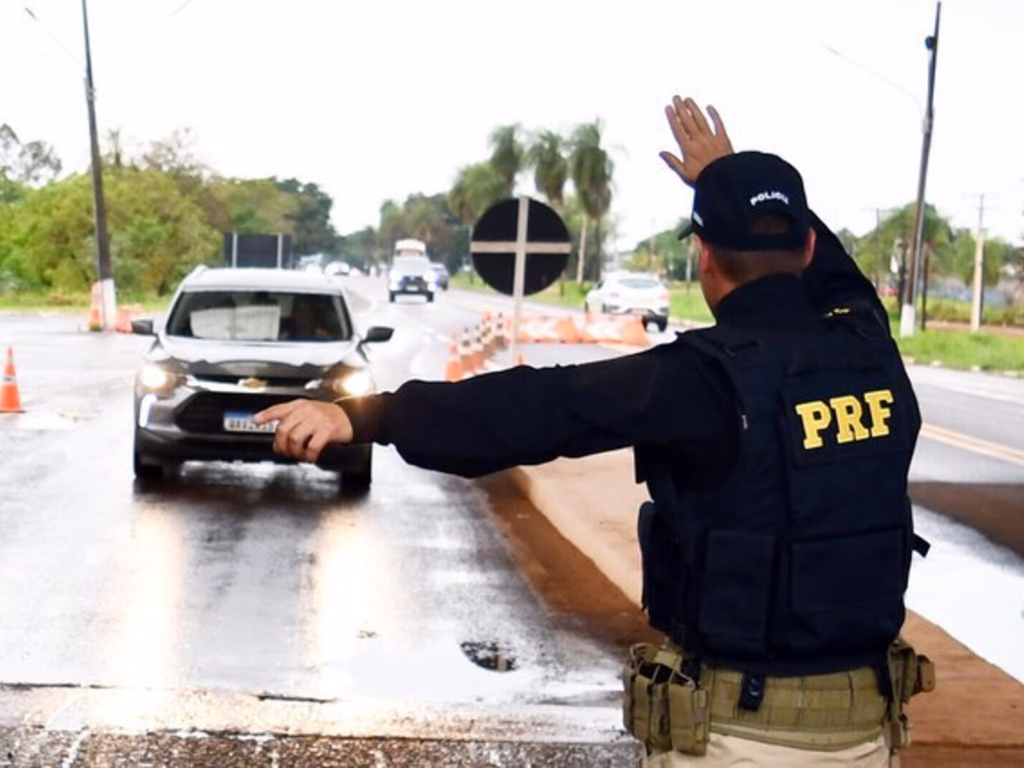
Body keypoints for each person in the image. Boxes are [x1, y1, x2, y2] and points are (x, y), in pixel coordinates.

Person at [254, 95, 933, 766]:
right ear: (809, 244)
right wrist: (734, 178)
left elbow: (540, 407)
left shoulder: (703, 381)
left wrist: (365, 414)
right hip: (867, 733)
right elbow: (840, 277)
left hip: (739, 739)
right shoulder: (872, 347)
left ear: (703, 258)